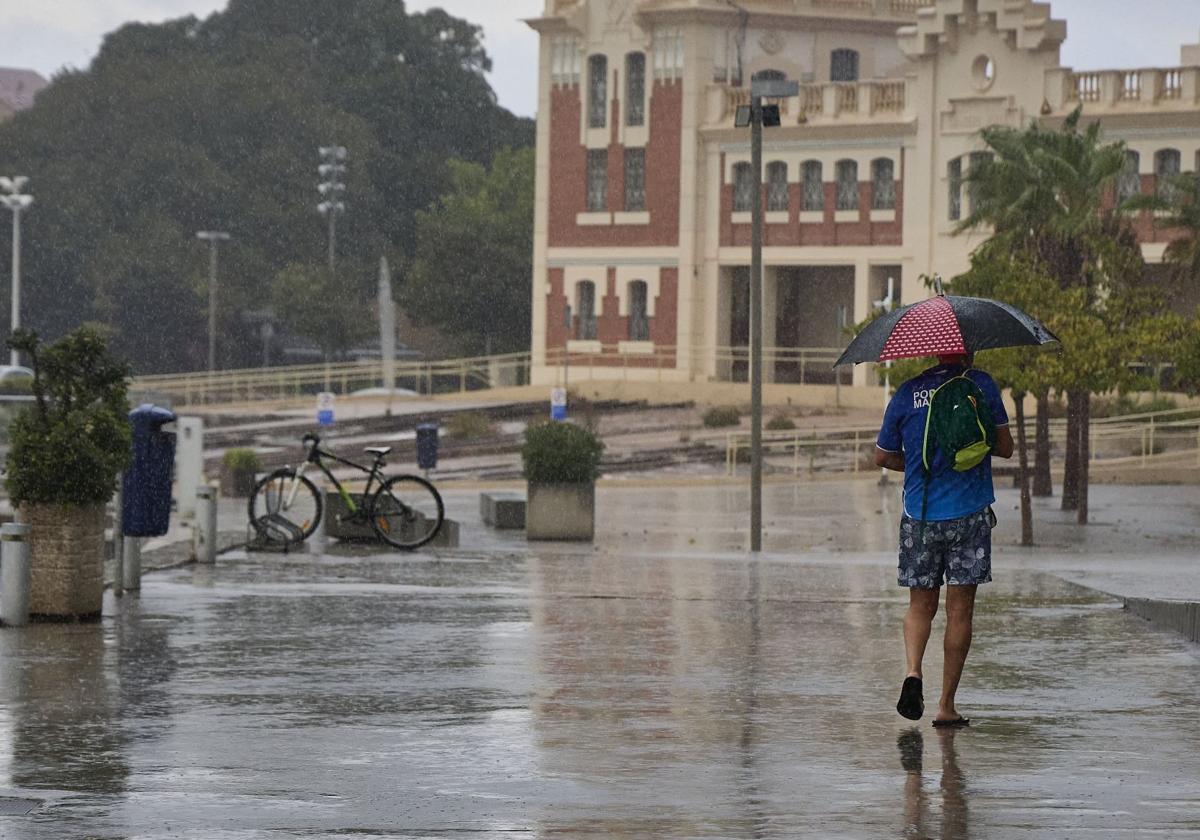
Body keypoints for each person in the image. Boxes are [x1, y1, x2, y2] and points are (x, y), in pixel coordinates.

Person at [874, 352, 1013, 727]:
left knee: (920, 607)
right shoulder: (980, 385)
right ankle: (946, 705)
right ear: (967, 350)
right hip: (969, 514)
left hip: (919, 517)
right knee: (959, 611)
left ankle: (913, 671)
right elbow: (1005, 447)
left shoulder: (906, 393)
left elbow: (882, 456)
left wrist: (921, 464)